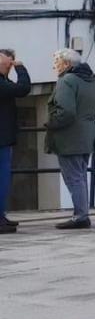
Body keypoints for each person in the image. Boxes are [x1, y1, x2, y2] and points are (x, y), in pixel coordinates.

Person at [45, 49, 95, 231]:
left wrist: (51, 123)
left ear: (67, 64)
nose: (55, 65)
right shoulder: (90, 80)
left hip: (69, 138)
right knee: (81, 176)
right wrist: (84, 120)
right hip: (87, 137)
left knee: (74, 178)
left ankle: (80, 216)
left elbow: (66, 112)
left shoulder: (66, 81)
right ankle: (82, 214)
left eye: (57, 61)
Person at [0, 49, 30, 234]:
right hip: (1, 139)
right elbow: (23, 89)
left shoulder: (3, 81)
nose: (10, 67)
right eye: (7, 64)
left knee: (3, 179)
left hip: (4, 138)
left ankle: (1, 216)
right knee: (1, 179)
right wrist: (21, 68)